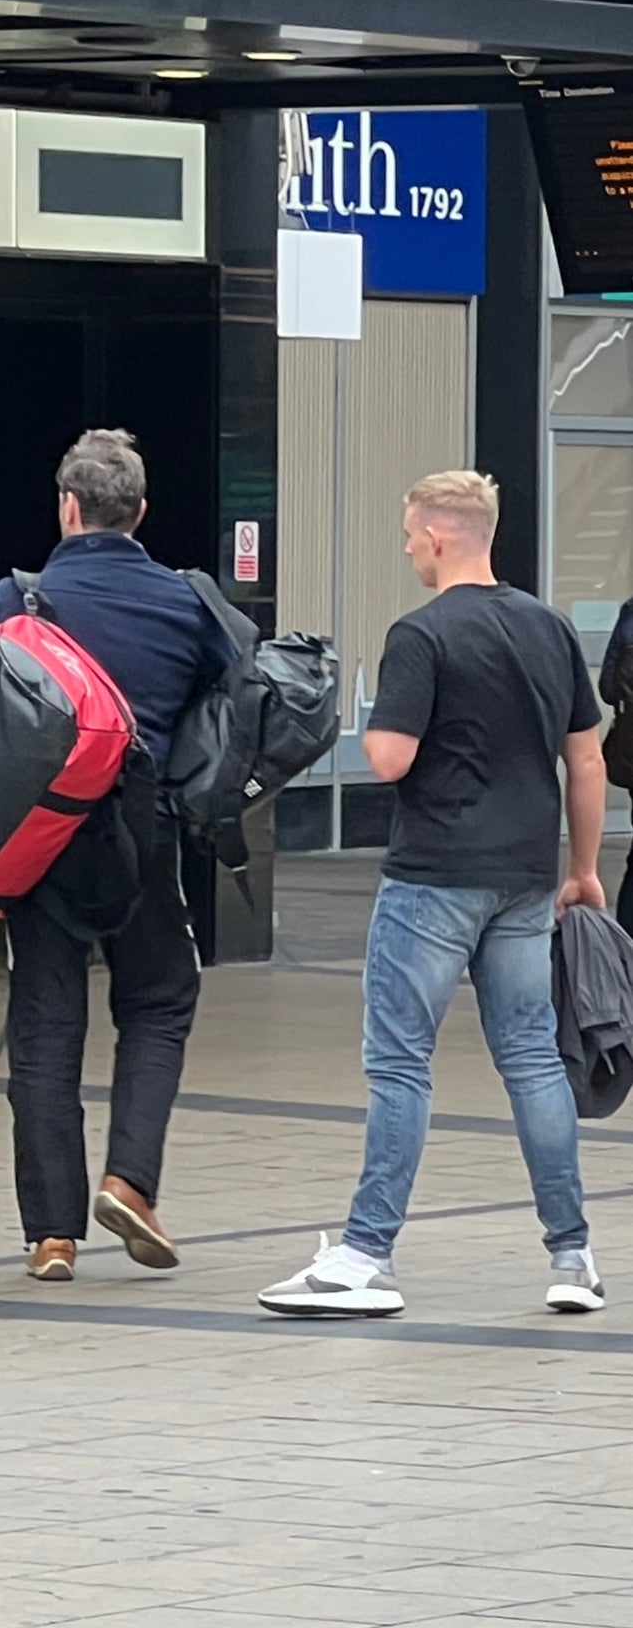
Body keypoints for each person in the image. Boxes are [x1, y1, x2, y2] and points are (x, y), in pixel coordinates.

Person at [261, 470, 609, 1318]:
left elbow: (386, 760)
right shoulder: (550, 627)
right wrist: (585, 869)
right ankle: (573, 1258)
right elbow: (587, 758)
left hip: (433, 878)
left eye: (412, 533)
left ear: (443, 534)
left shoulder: (420, 635)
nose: (408, 545)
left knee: (399, 1064)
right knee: (531, 1060)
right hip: (526, 876)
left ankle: (365, 1257)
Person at [0, 430, 228, 1283]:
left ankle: (52, 1236)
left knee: (44, 1027)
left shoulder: (14, 601)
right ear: (140, 512)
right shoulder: (186, 602)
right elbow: (225, 706)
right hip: (141, 832)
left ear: (66, 507)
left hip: (42, 839)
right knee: (159, 1000)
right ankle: (129, 1182)